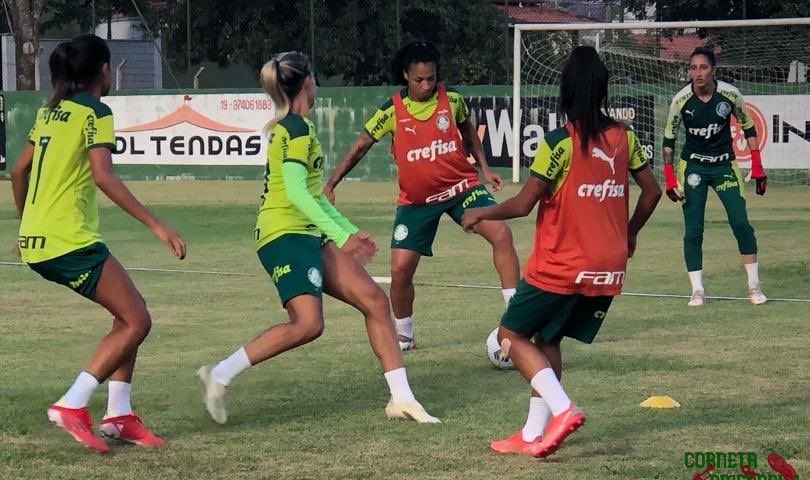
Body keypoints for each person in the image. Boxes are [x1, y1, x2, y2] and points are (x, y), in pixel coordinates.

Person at [197, 51, 439, 425]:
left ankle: (402, 399)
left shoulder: (300, 127)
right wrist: (342, 234)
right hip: (283, 235)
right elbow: (296, 194)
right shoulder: (293, 129)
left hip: (308, 233)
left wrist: (347, 230)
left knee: (374, 301)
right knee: (308, 324)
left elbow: (314, 197)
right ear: (307, 82)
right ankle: (221, 374)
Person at [461, 46, 661, 458]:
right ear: (603, 91)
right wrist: (630, 234)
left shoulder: (560, 142)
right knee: (546, 339)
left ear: (565, 91)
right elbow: (653, 191)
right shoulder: (625, 138)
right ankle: (532, 435)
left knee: (510, 335)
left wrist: (479, 212)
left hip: (562, 266)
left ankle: (564, 408)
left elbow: (521, 204)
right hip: (608, 267)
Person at [11, 34, 186, 453]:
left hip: (41, 240)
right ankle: (72, 404)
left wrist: (26, 226)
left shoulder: (48, 112)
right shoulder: (96, 112)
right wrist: (157, 226)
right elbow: (104, 176)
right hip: (69, 240)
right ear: (104, 71)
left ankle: (119, 416)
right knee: (137, 321)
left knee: (127, 316)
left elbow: (19, 171)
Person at [323, 40, 520, 351]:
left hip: (461, 189)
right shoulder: (390, 111)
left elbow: (468, 132)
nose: (427, 85)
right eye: (419, 79)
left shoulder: (452, 99)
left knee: (502, 234)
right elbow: (359, 147)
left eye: (431, 78)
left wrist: (484, 168)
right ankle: (405, 334)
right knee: (400, 270)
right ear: (405, 75)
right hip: (416, 203)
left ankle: (517, 319)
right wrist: (331, 183)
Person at [662, 47, 768, 307]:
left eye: (703, 67)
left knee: (740, 223)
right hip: (693, 168)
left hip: (724, 166)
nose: (697, 73)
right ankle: (697, 290)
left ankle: (754, 285)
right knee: (694, 230)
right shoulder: (681, 100)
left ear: (714, 70)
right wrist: (668, 176)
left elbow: (748, 126)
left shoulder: (730, 95)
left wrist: (757, 164)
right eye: (693, 68)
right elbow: (668, 140)